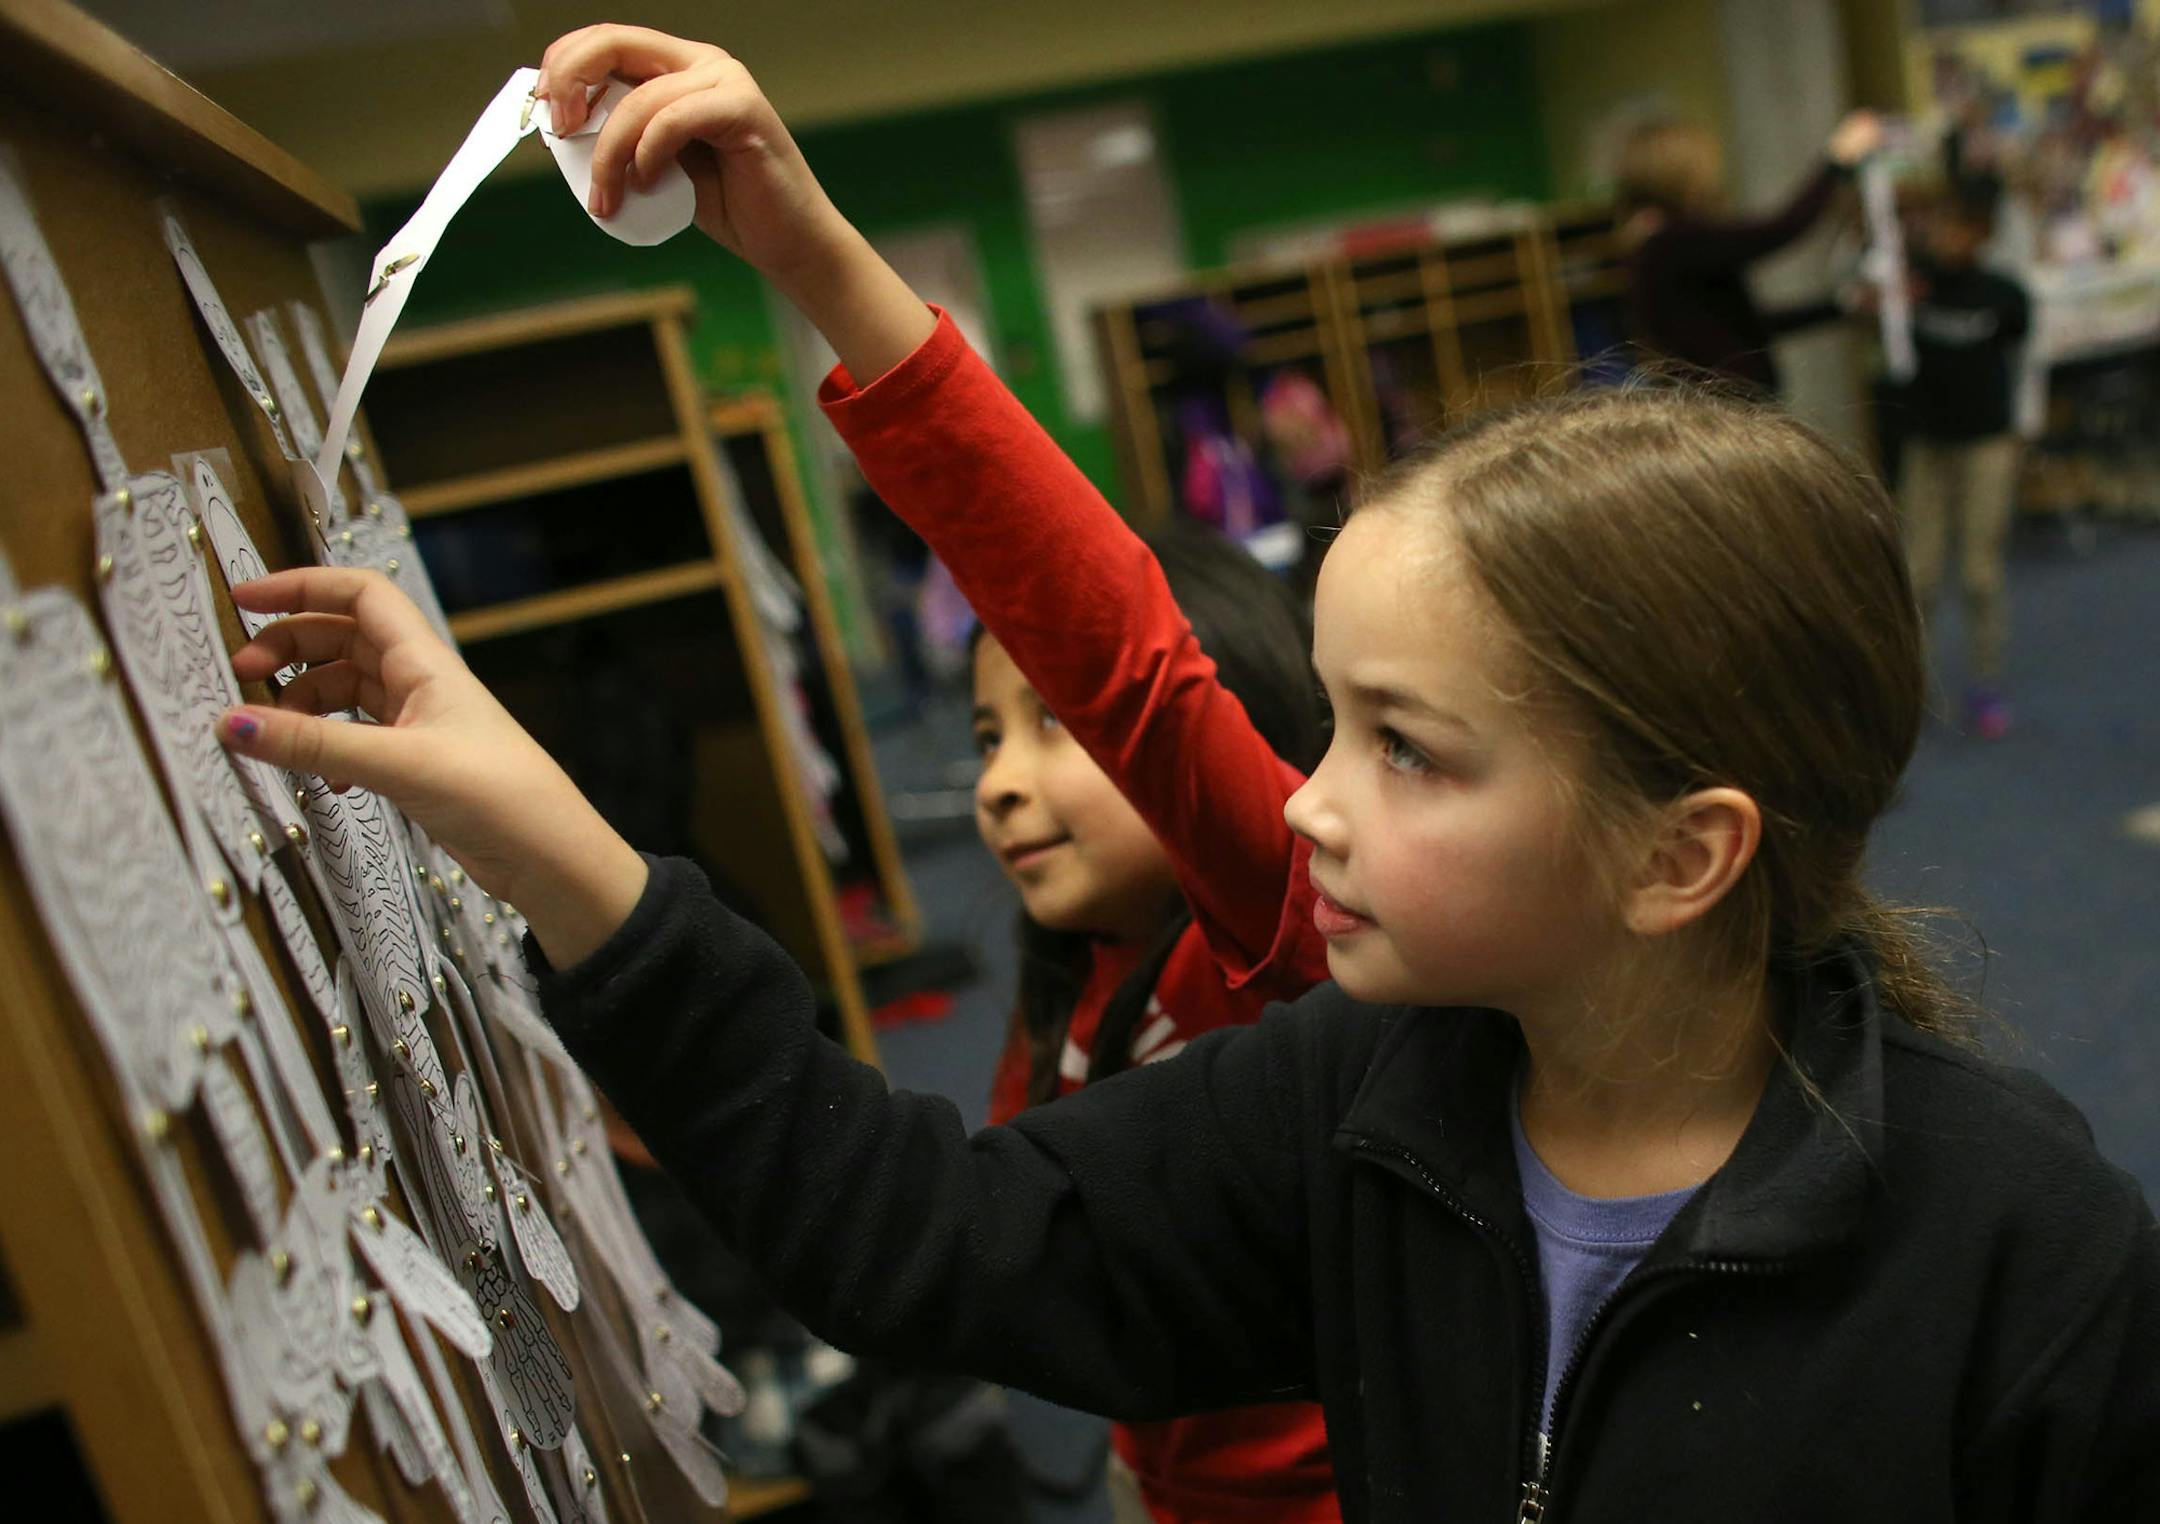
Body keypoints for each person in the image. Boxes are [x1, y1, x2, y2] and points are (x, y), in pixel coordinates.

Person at [216, 28, 2160, 1522]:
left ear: (1682, 857)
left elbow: (1120, 648)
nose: (1311, 798)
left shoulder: (2028, 1271)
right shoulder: (1357, 1100)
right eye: (1333, 724)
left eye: (1405, 751)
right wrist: (537, 825)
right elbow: (921, 1229)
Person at [1895, 176, 2031, 738]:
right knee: (1916, 574)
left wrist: (2025, 428)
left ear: (1979, 235)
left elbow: (2027, 362)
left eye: (1957, 228)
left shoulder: (2004, 295)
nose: (1943, 236)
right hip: (1929, 445)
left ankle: (1986, 683)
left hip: (1987, 445)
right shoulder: (1913, 287)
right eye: (1939, 225)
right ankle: (1908, 691)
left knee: (1979, 573)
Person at [1618, 110, 1882, 393]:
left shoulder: (1659, 245)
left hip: (1731, 408)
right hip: (1727, 412)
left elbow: (1744, 325)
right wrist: (1837, 160)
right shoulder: (1669, 243)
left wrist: (1843, 306)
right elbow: (1780, 230)